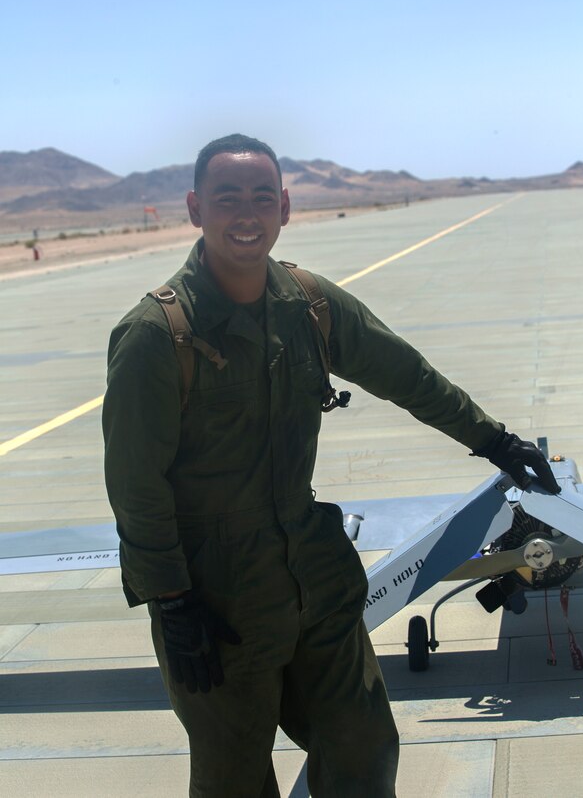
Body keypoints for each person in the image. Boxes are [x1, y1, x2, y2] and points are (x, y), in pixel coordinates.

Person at [103, 134, 559, 797]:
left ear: (285, 207)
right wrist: (171, 600)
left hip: (315, 574)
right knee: (233, 779)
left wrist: (493, 440)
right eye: (228, 199)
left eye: (263, 198)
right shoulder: (156, 336)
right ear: (196, 208)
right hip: (215, 598)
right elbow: (135, 487)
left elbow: (405, 373)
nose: (247, 215)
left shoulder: (309, 305)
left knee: (363, 750)